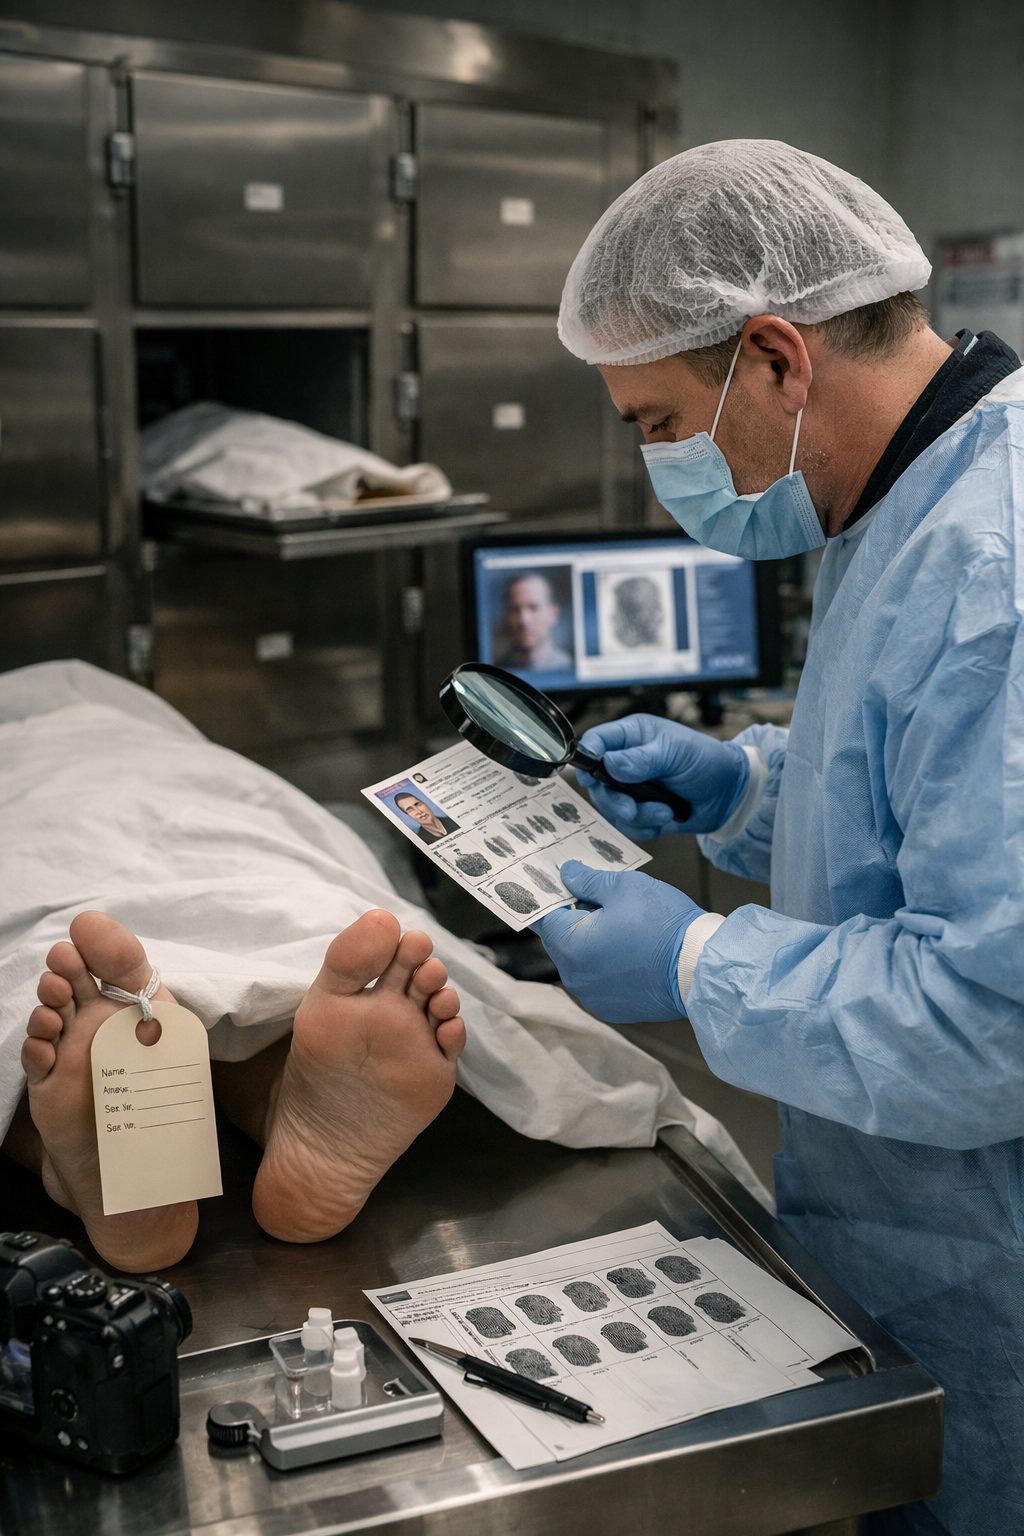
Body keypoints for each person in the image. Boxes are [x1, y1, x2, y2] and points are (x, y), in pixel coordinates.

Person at [537, 139, 1024, 1536]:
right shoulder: (904, 503)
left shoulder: (996, 564)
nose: (655, 468)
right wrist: (749, 794)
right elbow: (932, 813)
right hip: (918, 1229)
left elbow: (995, 1019)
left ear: (773, 358)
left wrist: (698, 966)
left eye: (654, 421)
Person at [4, 907, 465, 1274]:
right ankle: (274, 1099)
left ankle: (61, 1163)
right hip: (245, 841)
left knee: (42, 1034)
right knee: (270, 979)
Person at [496, 572, 573, 671]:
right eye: (515, 609)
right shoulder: (493, 673)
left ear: (554, 614)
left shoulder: (570, 667)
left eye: (534, 608)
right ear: (506, 615)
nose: (524, 620)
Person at [393, 791, 459, 844]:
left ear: (426, 804)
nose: (419, 811)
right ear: (408, 816)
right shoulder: (421, 842)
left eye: (418, 805)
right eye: (410, 810)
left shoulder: (454, 819)